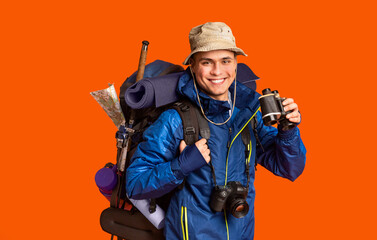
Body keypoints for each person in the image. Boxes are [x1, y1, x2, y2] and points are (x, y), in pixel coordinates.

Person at [126, 22, 306, 240]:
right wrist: (180, 166)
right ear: (192, 65)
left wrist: (287, 133)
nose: (217, 71)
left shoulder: (248, 113)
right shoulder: (175, 121)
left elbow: (290, 169)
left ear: (236, 63)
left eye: (225, 61)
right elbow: (135, 185)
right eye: (207, 62)